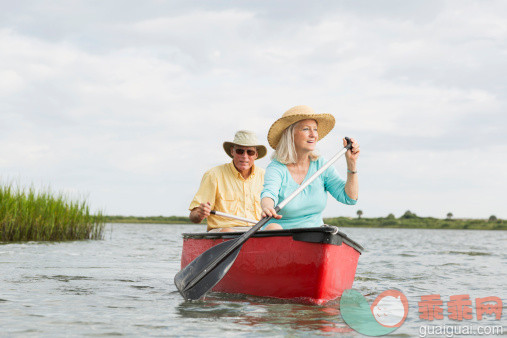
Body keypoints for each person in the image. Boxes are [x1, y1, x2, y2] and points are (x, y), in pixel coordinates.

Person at [260, 105, 360, 229]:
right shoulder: (277, 167)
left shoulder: (322, 165)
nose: (313, 135)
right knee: (273, 227)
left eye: (315, 129)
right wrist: (267, 207)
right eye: (306, 129)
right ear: (290, 134)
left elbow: (349, 198)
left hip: (314, 236)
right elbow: (269, 193)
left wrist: (352, 163)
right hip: (280, 234)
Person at [189, 130, 269, 232]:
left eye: (250, 152)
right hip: (224, 233)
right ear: (232, 152)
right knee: (228, 231)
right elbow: (193, 216)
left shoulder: (266, 176)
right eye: (240, 151)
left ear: (256, 155)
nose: (245, 156)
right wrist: (200, 213)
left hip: (258, 231)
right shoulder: (213, 174)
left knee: (275, 228)